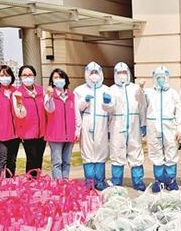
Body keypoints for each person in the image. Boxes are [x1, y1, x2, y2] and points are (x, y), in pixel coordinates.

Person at [141, 66, 181, 192]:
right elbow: (141, 106)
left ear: (167, 78)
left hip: (170, 128)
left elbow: (179, 112)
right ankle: (159, 181)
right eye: (158, 77)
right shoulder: (149, 93)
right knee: (156, 153)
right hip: (153, 128)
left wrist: (179, 129)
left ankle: (171, 180)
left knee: (171, 152)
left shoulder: (173, 93)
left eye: (163, 77)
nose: (160, 79)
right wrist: (140, 88)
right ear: (154, 78)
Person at [107, 62, 147, 191]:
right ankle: (117, 181)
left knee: (135, 151)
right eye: (119, 73)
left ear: (128, 73)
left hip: (134, 125)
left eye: (124, 72)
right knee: (117, 152)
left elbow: (142, 106)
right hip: (117, 125)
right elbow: (108, 110)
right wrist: (108, 128)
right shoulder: (111, 90)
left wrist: (143, 123)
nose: (122, 75)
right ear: (115, 74)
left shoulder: (135, 88)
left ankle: (138, 181)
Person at [74, 62, 111, 190]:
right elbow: (75, 109)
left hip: (102, 124)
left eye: (96, 72)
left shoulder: (107, 90)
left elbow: (112, 110)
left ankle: (100, 180)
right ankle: (89, 180)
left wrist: (108, 103)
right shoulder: (79, 90)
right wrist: (84, 101)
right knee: (87, 151)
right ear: (86, 74)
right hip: (86, 123)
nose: (94, 75)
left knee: (101, 150)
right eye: (91, 73)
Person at [0, 65, 26, 185]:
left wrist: (19, 103)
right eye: (2, 75)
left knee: (12, 161)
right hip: (0, 134)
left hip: (15, 134)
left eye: (7, 75)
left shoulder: (16, 92)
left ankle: (10, 184)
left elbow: (22, 114)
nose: (5, 77)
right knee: (1, 161)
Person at [44, 69, 80, 180]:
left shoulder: (72, 96)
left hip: (70, 134)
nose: (59, 80)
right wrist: (50, 96)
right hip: (55, 134)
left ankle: (65, 182)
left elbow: (76, 114)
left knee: (66, 161)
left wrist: (77, 130)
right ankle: (58, 185)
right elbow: (49, 109)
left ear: (65, 80)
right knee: (57, 162)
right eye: (56, 78)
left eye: (61, 77)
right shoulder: (49, 96)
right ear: (52, 81)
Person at [16, 65, 46, 176]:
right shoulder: (18, 93)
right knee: (31, 158)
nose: (27, 77)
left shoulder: (41, 91)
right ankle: (30, 182)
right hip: (27, 133)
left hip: (41, 132)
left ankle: (37, 181)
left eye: (30, 75)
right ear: (20, 77)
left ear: (34, 76)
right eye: (24, 75)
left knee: (39, 158)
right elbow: (18, 114)